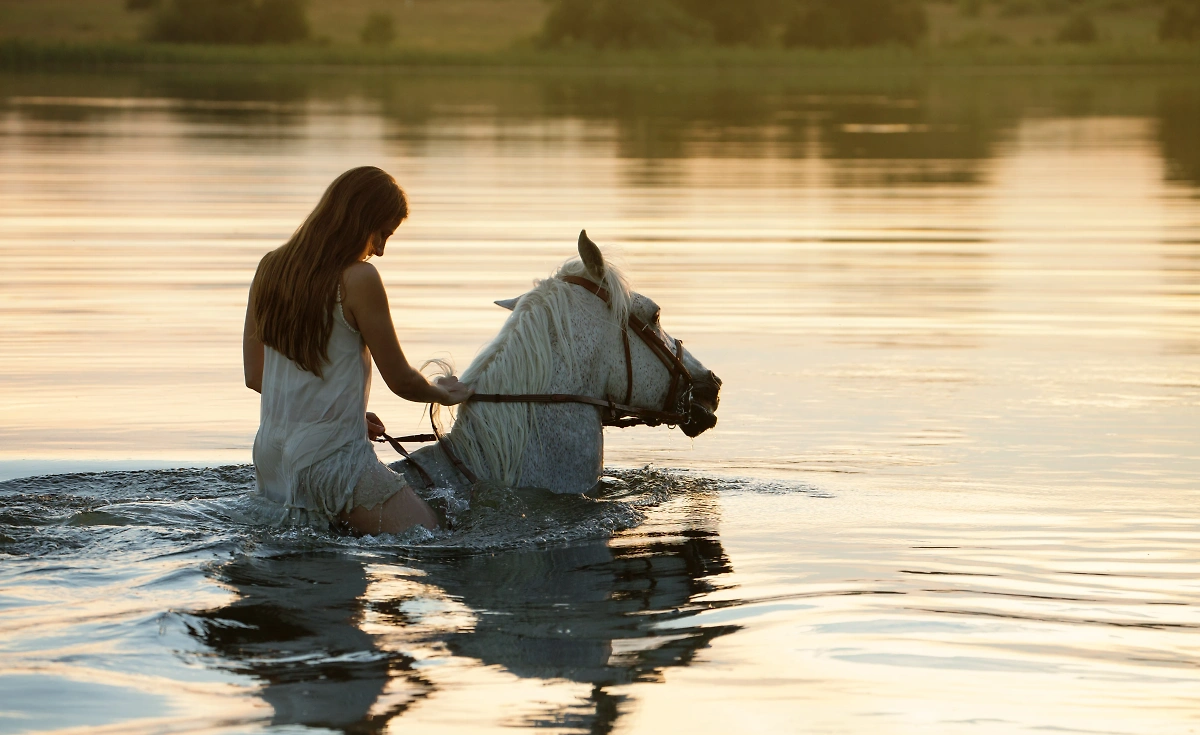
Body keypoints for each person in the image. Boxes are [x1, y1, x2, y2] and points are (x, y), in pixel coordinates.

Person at [242, 166, 471, 535]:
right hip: (332, 461)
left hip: (271, 456)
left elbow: (256, 376)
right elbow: (401, 381)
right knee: (438, 542)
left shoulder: (270, 267)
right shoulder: (358, 279)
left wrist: (343, 412)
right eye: (381, 234)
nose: (380, 250)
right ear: (358, 220)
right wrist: (445, 394)